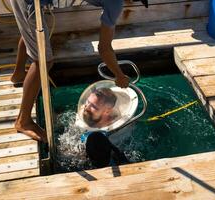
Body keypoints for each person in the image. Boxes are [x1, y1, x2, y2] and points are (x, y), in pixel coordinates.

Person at [10, 0, 149, 142]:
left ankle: (19, 74)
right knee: (44, 61)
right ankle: (23, 121)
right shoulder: (115, 3)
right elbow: (104, 48)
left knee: (30, 33)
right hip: (29, 2)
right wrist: (119, 75)